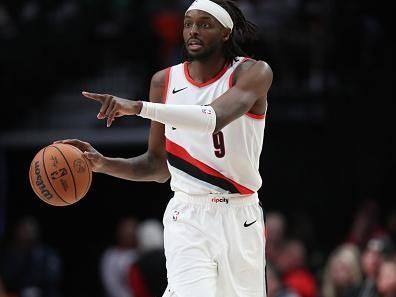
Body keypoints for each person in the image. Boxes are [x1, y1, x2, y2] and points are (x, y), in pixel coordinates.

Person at [56, 0, 273, 296]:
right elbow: (157, 167)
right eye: (188, 24)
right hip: (187, 215)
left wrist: (139, 108)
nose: (193, 31)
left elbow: (213, 118)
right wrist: (102, 163)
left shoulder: (252, 73)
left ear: (225, 32)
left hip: (241, 215)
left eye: (204, 24)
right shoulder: (164, 81)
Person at [100, 217, 139, 297]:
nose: (130, 233)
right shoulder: (111, 255)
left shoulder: (139, 254)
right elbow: (110, 282)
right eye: (127, 231)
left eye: (132, 231)